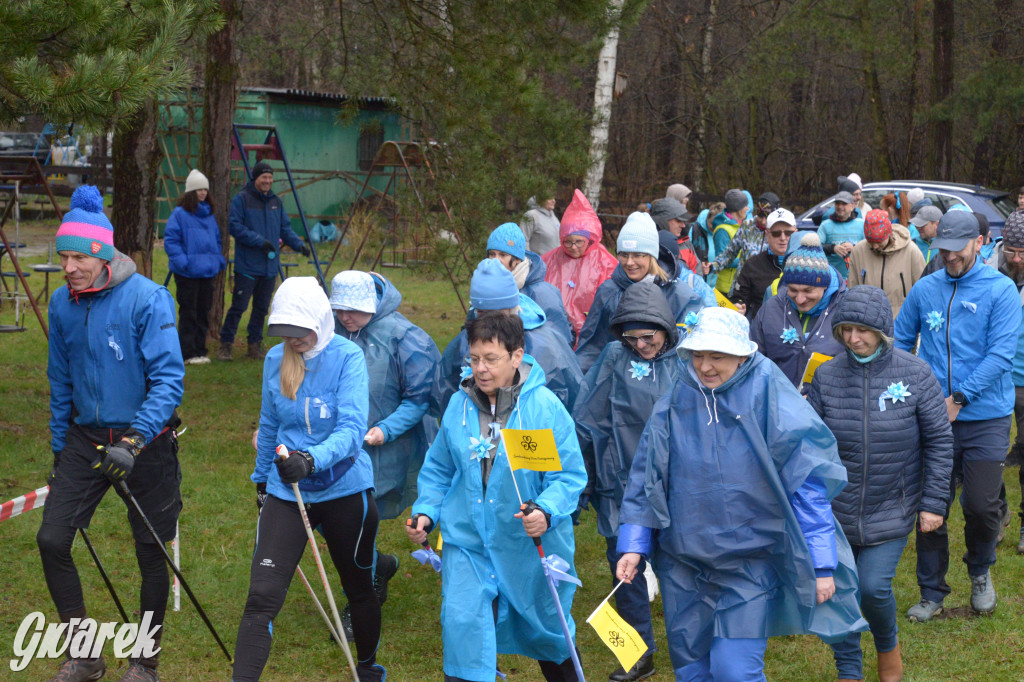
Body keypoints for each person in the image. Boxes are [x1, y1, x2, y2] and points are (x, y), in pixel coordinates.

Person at [615, 307, 866, 681]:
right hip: (684, 560)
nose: (705, 366)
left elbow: (807, 481)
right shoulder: (678, 397)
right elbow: (647, 475)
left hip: (750, 560)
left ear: (742, 354)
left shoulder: (768, 392)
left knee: (735, 671)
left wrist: (821, 562)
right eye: (698, 355)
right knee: (692, 671)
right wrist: (634, 543)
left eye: (717, 355)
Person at [39, 185, 185, 682]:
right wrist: (61, 446)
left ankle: (145, 662)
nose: (69, 267)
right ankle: (85, 653)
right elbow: (60, 379)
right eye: (64, 257)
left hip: (145, 438)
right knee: (52, 539)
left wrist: (135, 440)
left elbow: (169, 380)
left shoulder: (148, 298)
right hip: (85, 437)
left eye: (79, 256)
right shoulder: (62, 304)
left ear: (103, 255)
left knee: (150, 552)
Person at [407, 313, 587, 682]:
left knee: (549, 633)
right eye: (474, 359)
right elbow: (439, 468)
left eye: (491, 359)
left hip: (528, 543)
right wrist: (426, 512)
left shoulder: (545, 408)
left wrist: (546, 511)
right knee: (463, 629)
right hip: (468, 540)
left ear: (517, 356)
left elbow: (568, 476)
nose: (481, 369)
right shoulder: (459, 405)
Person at [233, 277, 384, 681]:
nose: (292, 340)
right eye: (284, 333)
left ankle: (368, 670)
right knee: (261, 596)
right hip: (287, 488)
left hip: (344, 487)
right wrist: (262, 481)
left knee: (358, 587)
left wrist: (310, 459)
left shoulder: (348, 357)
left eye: (299, 332)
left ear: (319, 321)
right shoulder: (274, 360)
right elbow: (268, 425)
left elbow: (353, 430)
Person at [808, 286, 953, 682]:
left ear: (882, 330)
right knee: (839, 592)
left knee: (872, 587)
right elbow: (809, 440)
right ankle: (849, 669)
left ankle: (887, 647)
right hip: (835, 510)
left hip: (892, 503)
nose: (853, 338)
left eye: (862, 330)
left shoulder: (915, 372)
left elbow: (940, 440)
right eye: (845, 330)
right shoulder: (827, 374)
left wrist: (934, 503)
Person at [894, 210, 1019, 621]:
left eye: (957, 250)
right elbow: (899, 338)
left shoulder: (1000, 291)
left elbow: (1001, 354)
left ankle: (980, 571)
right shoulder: (926, 288)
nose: (949, 257)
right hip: (932, 416)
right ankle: (932, 591)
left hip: (985, 416)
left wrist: (959, 398)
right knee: (931, 507)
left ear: (979, 243)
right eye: (943, 250)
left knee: (982, 506)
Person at [573, 281, 682, 682]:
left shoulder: (686, 360)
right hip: (620, 485)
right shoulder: (614, 357)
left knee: (680, 574)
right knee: (625, 575)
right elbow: (587, 418)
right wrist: (582, 484)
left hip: (675, 490)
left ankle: (694, 649)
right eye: (630, 337)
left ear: (665, 328)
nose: (640, 345)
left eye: (647, 336)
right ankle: (637, 655)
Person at [329, 270, 441, 624]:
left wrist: (384, 430)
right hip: (336, 445)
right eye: (340, 309)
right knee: (332, 521)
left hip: (381, 450)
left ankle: (360, 601)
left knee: (356, 525)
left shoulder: (405, 337)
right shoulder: (331, 332)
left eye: (354, 309)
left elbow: (419, 399)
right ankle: (379, 565)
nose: (346, 317)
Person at [431, 259, 582, 418]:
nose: (489, 320)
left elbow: (571, 397)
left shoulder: (545, 345)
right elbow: (444, 396)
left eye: (495, 312)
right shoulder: (464, 341)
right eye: (482, 312)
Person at [574, 211, 716, 374]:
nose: (629, 262)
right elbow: (592, 344)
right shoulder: (609, 291)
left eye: (638, 255)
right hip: (616, 382)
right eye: (623, 255)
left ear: (652, 255)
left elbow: (692, 348)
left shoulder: (679, 294)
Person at [219, 161, 311, 361]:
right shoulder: (242, 199)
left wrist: (299, 245)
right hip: (248, 266)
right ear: (256, 178)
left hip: (269, 267)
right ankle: (225, 345)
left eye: (270, 177)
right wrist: (260, 242)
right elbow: (234, 226)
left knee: (261, 309)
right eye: (264, 177)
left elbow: (285, 229)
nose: (267, 181)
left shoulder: (276, 202)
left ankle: (254, 345)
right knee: (239, 307)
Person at [750, 232, 846, 391]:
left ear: (825, 285)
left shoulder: (844, 310)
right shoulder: (771, 309)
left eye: (808, 291)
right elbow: (753, 361)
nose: (800, 299)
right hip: (779, 404)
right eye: (793, 290)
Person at [982, 210, 1024, 553]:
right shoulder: (986, 270)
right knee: (989, 456)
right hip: (991, 376)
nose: (1018, 259)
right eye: (1011, 251)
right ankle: (997, 513)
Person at [163, 168, 226, 365]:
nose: (202, 193)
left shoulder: (209, 216)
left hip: (206, 272)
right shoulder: (179, 214)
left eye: (205, 190)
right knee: (188, 313)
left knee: (203, 312)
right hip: (187, 274)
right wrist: (184, 262)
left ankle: (201, 350)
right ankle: (187, 352)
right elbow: (171, 240)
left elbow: (216, 241)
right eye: (198, 190)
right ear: (191, 192)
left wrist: (217, 260)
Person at [542, 189, 619, 341]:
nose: (573, 247)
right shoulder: (548, 260)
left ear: (590, 239)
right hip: (555, 334)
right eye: (568, 241)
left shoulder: (605, 262)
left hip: (592, 336)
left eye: (579, 241)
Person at [486, 222, 573, 344]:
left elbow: (559, 338)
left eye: (503, 255)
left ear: (517, 259)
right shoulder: (485, 287)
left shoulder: (542, 293)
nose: (495, 260)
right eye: (492, 254)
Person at [847, 209, 925, 317]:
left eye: (878, 242)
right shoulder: (858, 251)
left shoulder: (911, 251)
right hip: (868, 320)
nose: (874, 246)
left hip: (901, 321)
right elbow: (852, 288)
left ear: (888, 234)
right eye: (870, 242)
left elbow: (923, 290)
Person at [731, 207, 795, 321]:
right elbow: (739, 298)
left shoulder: (807, 264)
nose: (783, 238)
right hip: (763, 330)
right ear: (767, 234)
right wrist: (739, 306)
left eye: (788, 232)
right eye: (776, 233)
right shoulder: (752, 265)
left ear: (796, 232)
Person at [708, 188, 753, 294]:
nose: (748, 208)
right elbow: (722, 259)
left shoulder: (742, 225)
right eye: (745, 206)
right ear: (737, 208)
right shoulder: (722, 230)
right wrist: (748, 259)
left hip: (740, 284)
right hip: (727, 288)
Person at [817, 191, 865, 280]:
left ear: (852, 206)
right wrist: (833, 248)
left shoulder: (862, 224)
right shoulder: (825, 225)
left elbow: (870, 247)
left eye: (844, 204)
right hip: (832, 277)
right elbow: (815, 247)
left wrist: (854, 248)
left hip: (856, 278)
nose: (840, 207)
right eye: (837, 204)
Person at [649, 197, 698, 273]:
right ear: (662, 220)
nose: (683, 225)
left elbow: (697, 275)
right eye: (678, 221)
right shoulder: (647, 246)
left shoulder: (686, 243)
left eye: (683, 221)